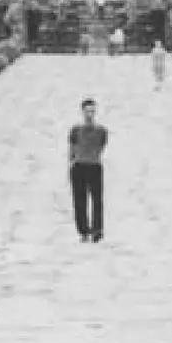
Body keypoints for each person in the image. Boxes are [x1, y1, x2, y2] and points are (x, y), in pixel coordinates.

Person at [68, 97, 108, 241]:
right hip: (79, 166)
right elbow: (72, 147)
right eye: (87, 111)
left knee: (97, 200)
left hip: (95, 166)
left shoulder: (101, 130)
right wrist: (73, 160)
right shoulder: (76, 130)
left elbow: (102, 146)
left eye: (92, 111)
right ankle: (83, 231)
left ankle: (97, 230)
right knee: (80, 201)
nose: (90, 114)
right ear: (83, 112)